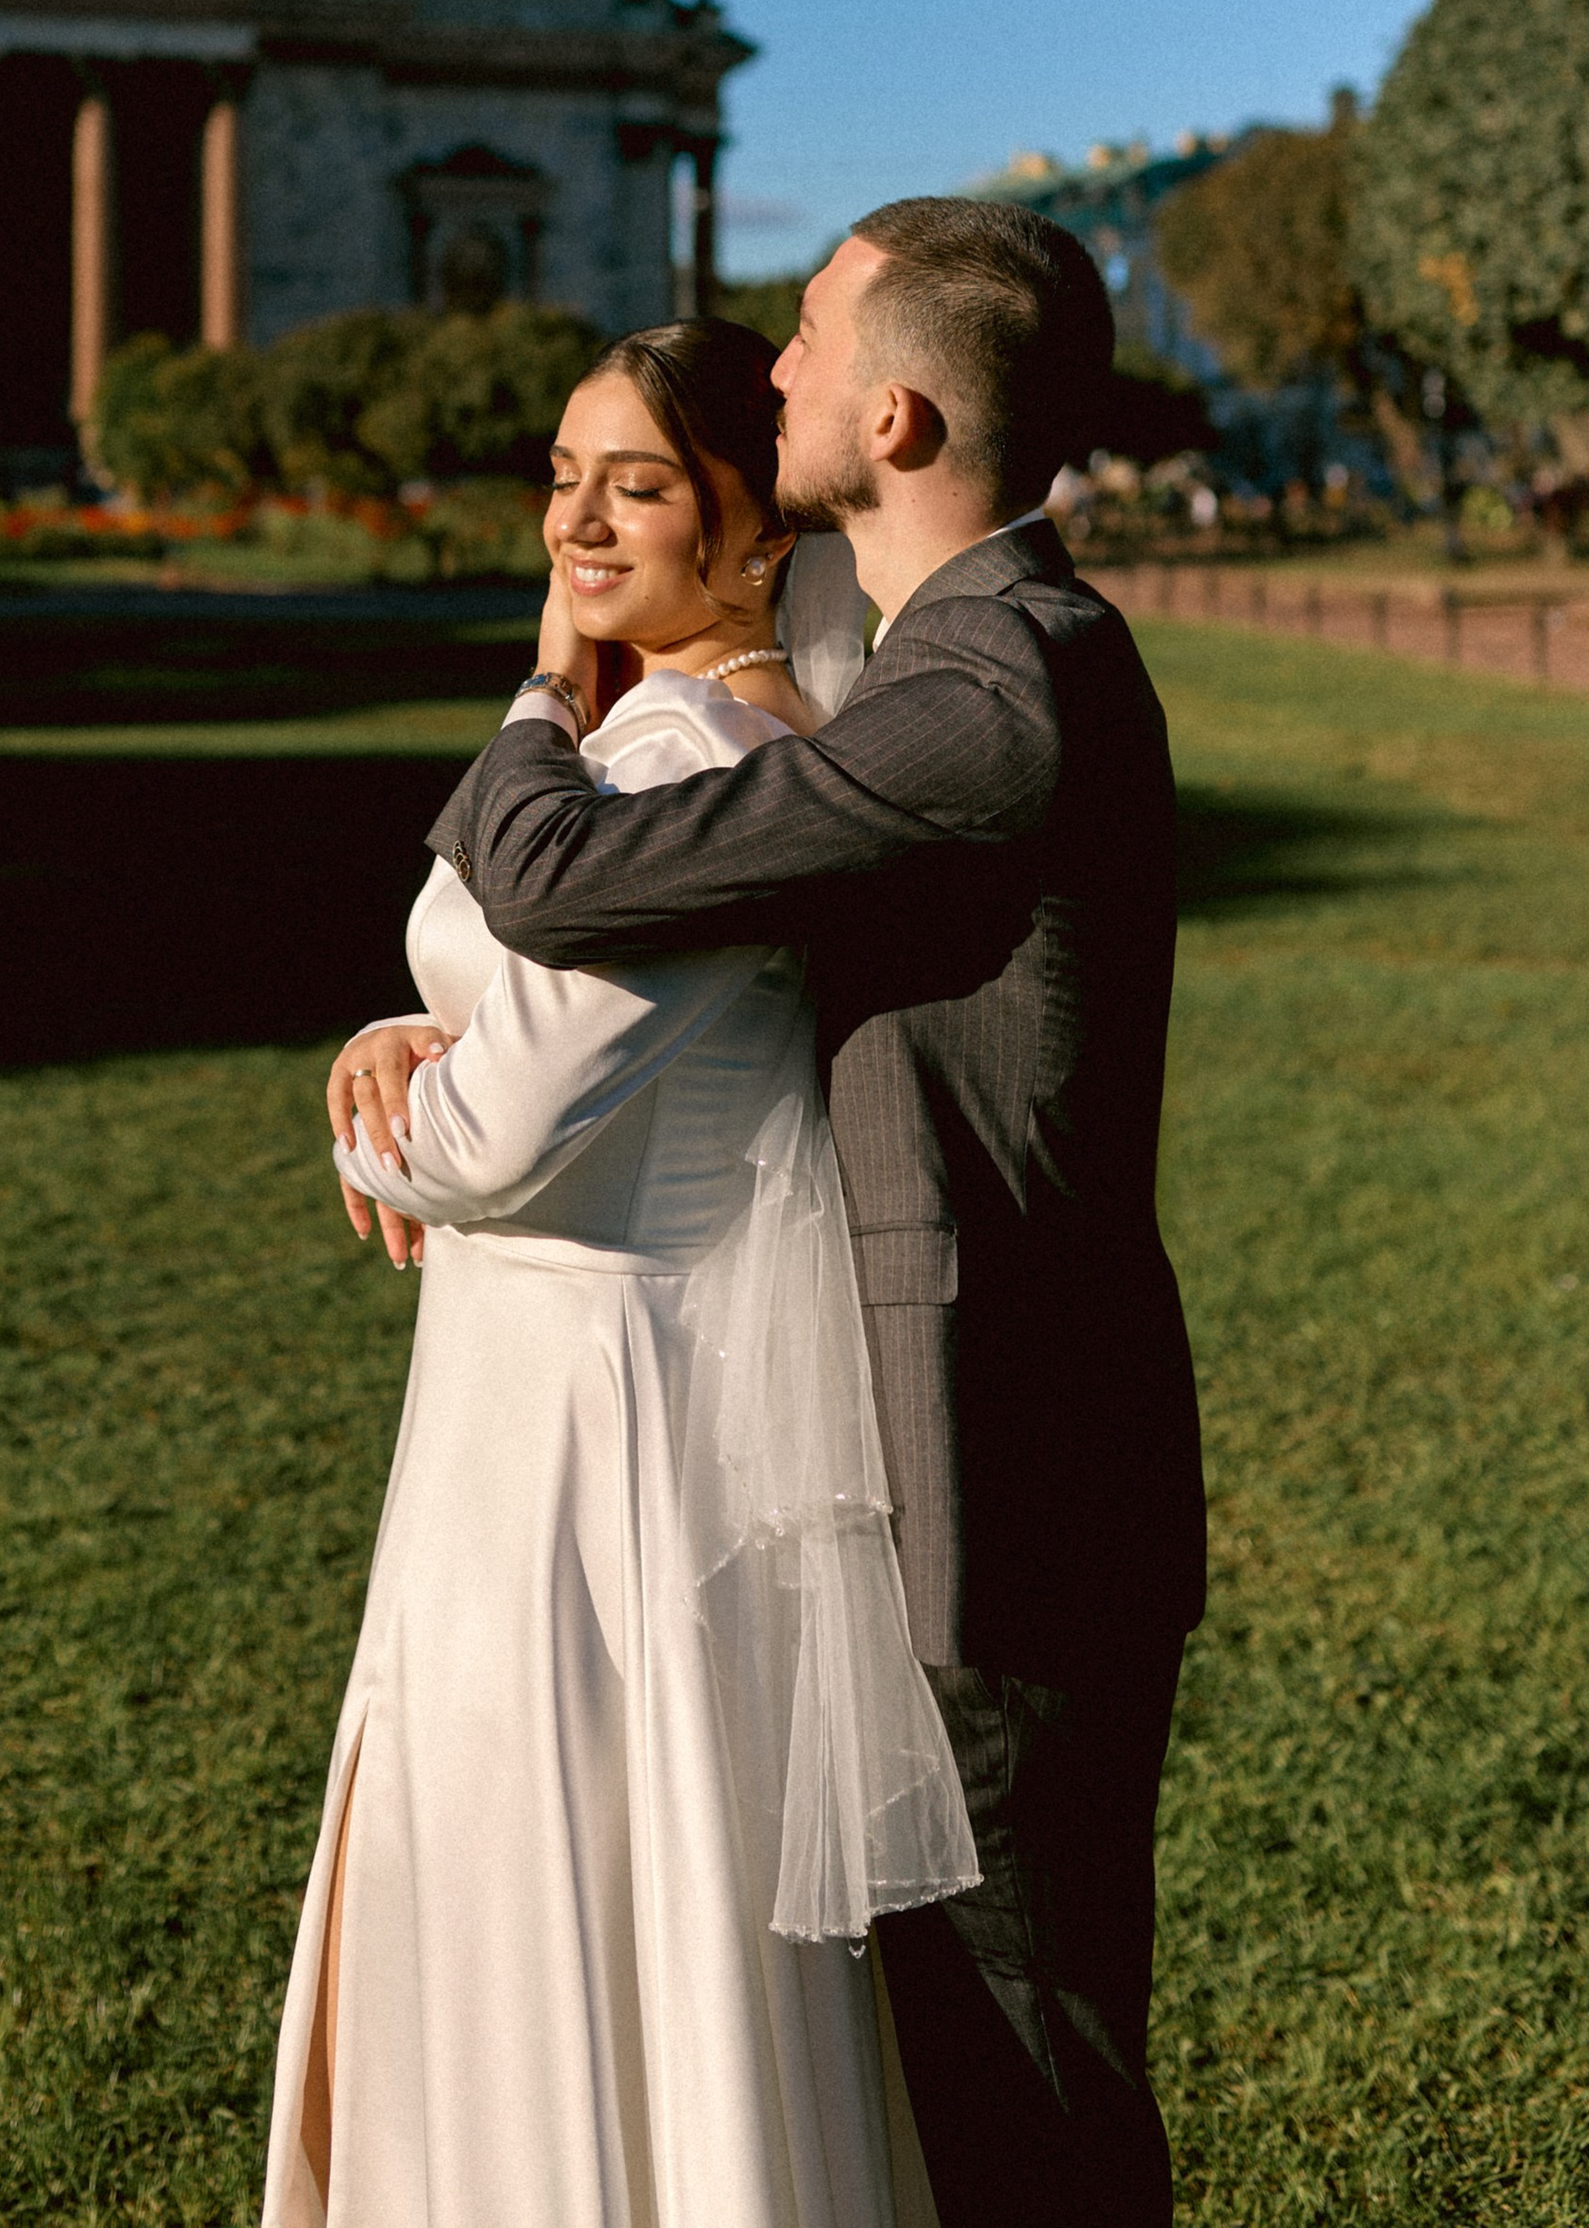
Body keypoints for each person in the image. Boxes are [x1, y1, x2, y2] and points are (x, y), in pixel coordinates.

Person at [337, 201, 1207, 2228]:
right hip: (937, 1444)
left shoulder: (989, 690)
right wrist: (423, 1012)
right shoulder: (945, 661)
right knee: (952, 2065)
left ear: (891, 416)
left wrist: (548, 687)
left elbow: (566, 886)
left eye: (807, 348)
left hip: (1001, 1464)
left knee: (1024, 2073)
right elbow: (681, 957)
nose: (780, 373)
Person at [265, 319, 978, 2228]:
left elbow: (501, 1140)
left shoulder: (695, 759)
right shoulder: (639, 742)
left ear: (758, 535)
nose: (580, 516)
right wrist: (399, 1030)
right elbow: (518, 1030)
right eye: (566, 474)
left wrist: (372, 1119)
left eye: (640, 483)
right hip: (532, 1374)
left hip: (603, 1421)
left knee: (564, 1872)